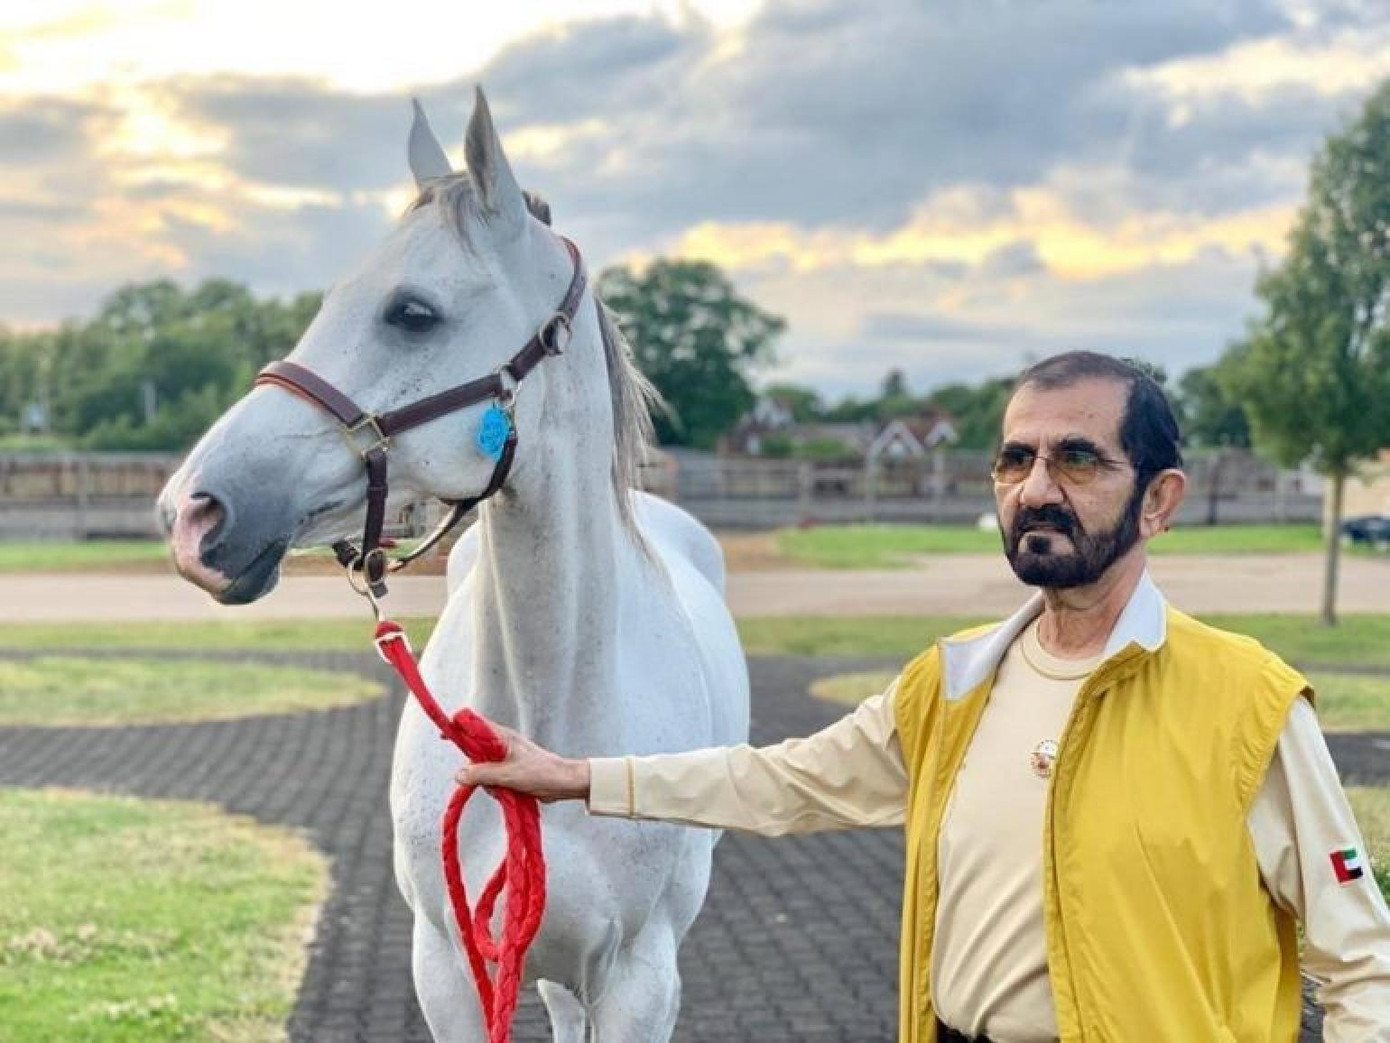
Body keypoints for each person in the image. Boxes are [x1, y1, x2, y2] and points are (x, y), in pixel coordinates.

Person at [457, 351, 1390, 1042]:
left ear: (1159, 499)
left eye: (1078, 459)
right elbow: (780, 783)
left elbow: (1360, 965)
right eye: (1014, 460)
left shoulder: (1249, 705)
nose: (1036, 487)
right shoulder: (954, 685)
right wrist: (574, 775)